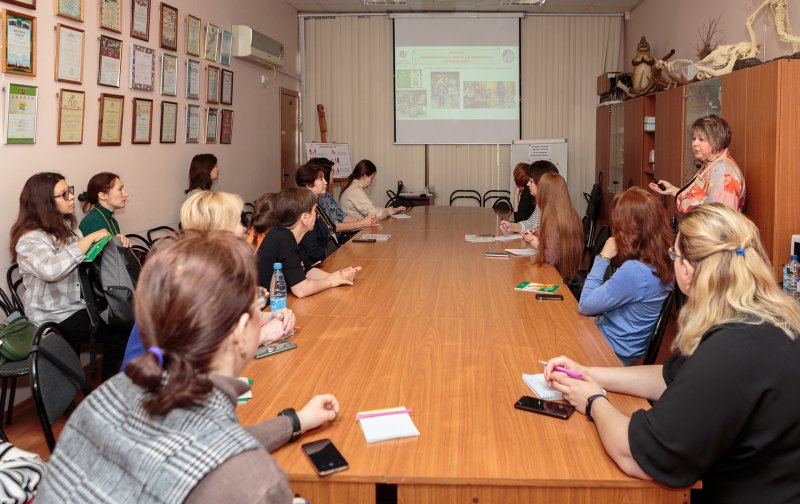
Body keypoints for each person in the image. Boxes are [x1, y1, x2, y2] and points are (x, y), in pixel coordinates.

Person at [37, 231, 340, 503]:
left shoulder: (109, 395)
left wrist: (295, 421)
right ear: (240, 331)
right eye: (258, 301)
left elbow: (208, 445)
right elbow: (217, 458)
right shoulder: (254, 483)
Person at [545, 204, 800, 503]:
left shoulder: (730, 350)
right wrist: (589, 373)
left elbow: (634, 455)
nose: (672, 260)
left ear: (688, 272)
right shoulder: (762, 320)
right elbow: (668, 377)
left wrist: (592, 400)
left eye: (674, 255)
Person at [120, 191, 295, 370]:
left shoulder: (208, 265)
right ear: (222, 228)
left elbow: (224, 318)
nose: (245, 229)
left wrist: (268, 316)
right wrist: (263, 334)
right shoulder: (192, 276)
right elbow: (203, 351)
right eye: (238, 221)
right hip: (151, 378)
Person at [10, 172, 130, 379]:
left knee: (125, 318)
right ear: (45, 202)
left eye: (70, 191)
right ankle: (109, 388)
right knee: (119, 332)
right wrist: (87, 240)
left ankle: (107, 385)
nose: (72, 197)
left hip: (79, 304)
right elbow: (51, 270)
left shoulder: (68, 226)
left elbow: (87, 259)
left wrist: (112, 242)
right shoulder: (30, 239)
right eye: (64, 194)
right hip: (54, 314)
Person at [578, 187, 674, 365]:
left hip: (607, 351)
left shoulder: (635, 271)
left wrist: (603, 256)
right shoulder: (663, 261)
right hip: (625, 350)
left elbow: (585, 305)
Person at [258, 187, 361, 298]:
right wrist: (330, 282)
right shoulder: (283, 238)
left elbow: (307, 271)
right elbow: (301, 290)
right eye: (314, 211)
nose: (317, 216)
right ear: (305, 218)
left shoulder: (292, 236)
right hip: (268, 306)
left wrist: (339, 276)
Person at [649, 115, 745, 221]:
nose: (694, 143)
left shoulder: (725, 176)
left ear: (717, 141)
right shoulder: (709, 163)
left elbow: (721, 221)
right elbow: (700, 198)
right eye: (694, 138)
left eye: (701, 139)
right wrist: (673, 190)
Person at [523, 172, 583, 280]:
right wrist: (540, 234)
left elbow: (551, 258)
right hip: (571, 275)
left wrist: (537, 244)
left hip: (557, 277)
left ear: (545, 193)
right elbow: (559, 244)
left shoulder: (551, 217)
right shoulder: (573, 214)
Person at [307, 158, 379, 234]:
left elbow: (341, 215)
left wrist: (364, 221)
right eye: (331, 171)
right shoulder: (311, 202)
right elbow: (331, 227)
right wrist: (361, 224)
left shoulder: (327, 195)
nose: (333, 174)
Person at [499, 160, 559, 235]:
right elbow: (529, 223)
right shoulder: (540, 204)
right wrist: (511, 226)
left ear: (542, 183)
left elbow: (554, 239)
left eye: (531, 181)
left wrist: (537, 240)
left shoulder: (555, 208)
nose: (527, 184)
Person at [295, 163, 338, 264]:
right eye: (320, 179)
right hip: (319, 263)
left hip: (330, 256)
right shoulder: (304, 209)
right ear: (308, 185)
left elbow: (331, 228)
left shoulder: (316, 204)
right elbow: (313, 251)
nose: (326, 182)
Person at [339, 159, 405, 220]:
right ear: (364, 176)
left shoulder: (353, 187)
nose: (372, 181)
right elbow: (373, 214)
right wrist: (387, 212)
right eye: (372, 178)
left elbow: (371, 209)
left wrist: (391, 210)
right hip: (357, 228)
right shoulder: (355, 191)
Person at [77, 172, 131, 247]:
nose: (126, 194)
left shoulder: (112, 221)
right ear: (102, 195)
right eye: (120, 189)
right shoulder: (91, 222)